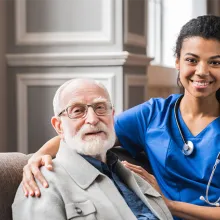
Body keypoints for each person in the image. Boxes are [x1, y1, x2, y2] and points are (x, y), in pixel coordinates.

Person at [21, 15, 220, 220]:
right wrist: (35, 158)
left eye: (215, 62)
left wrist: (168, 205)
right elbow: (90, 130)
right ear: (177, 62)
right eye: (191, 60)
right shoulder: (152, 114)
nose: (202, 72)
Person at [12, 79, 173, 220]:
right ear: (59, 126)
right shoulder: (41, 184)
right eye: (77, 110)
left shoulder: (135, 177)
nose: (93, 119)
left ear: (112, 116)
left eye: (100, 107)